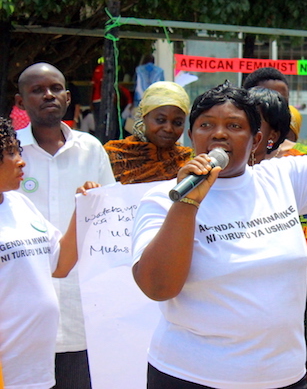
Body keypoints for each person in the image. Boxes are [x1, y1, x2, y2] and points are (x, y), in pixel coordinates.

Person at [131, 82, 307, 388]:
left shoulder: (283, 178)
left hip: (282, 378)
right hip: (192, 377)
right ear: (191, 135)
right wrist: (187, 204)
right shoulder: (162, 198)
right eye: (206, 125)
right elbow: (158, 287)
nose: (219, 134)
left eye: (234, 125)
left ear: (256, 139)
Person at [14, 62, 116, 389]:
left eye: (56, 88)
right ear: (21, 101)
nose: (48, 95)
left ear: (68, 97)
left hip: (80, 309)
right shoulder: (9, 153)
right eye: (37, 90)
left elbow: (109, 218)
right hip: (21, 314)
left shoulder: (91, 149)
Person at [0, 117, 93, 389]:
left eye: (18, 150)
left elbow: (61, 264)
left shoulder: (20, 203)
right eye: (9, 153)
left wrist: (82, 209)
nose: (20, 161)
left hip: (37, 372)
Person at [104, 81, 193, 184]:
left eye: (177, 123)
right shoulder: (112, 155)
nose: (168, 128)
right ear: (144, 117)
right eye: (160, 120)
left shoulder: (189, 161)